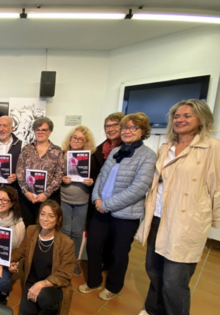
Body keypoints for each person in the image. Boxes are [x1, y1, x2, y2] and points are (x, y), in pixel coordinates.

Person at [137, 100, 220, 315]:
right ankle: (155, 309)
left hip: (185, 221)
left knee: (174, 281)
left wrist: (211, 220)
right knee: (154, 269)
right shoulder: (165, 147)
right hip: (158, 216)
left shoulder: (213, 148)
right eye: (176, 116)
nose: (180, 120)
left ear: (201, 119)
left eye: (187, 116)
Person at [79, 113, 156, 300]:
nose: (127, 131)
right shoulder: (115, 152)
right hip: (101, 209)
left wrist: (107, 204)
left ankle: (113, 286)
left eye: (132, 128)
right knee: (94, 245)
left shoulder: (148, 156)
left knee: (119, 252)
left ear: (143, 131)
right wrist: (97, 198)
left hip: (126, 214)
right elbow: (101, 178)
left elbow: (139, 188)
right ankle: (94, 281)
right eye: (124, 128)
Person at [10, 200, 74, 315]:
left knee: (46, 299)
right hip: (32, 281)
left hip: (52, 284)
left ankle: (49, 308)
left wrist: (42, 284)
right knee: (27, 312)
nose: (45, 219)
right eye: (42, 214)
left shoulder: (67, 243)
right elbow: (20, 252)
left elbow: (65, 274)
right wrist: (4, 260)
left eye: (51, 216)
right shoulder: (31, 230)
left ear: (58, 219)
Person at [88, 113, 124, 270]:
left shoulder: (130, 149)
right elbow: (95, 174)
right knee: (97, 240)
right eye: (108, 126)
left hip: (120, 202)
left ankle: (110, 268)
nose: (111, 129)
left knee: (117, 242)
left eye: (115, 125)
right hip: (98, 201)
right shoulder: (97, 151)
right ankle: (99, 267)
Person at [60, 125, 96, 276]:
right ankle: (64, 260)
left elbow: (96, 177)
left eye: (80, 138)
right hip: (64, 198)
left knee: (77, 233)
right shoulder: (62, 155)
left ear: (86, 141)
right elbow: (56, 176)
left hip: (82, 200)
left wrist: (91, 181)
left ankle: (74, 260)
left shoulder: (91, 157)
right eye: (74, 137)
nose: (76, 140)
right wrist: (62, 178)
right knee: (65, 230)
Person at [16, 117, 65, 227]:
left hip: (48, 198)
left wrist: (45, 194)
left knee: (45, 227)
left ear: (50, 132)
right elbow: (19, 171)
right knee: (28, 227)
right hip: (27, 198)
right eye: (37, 130)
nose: (40, 132)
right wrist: (26, 192)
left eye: (44, 130)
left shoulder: (57, 151)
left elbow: (59, 175)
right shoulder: (26, 149)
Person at [0, 116, 23, 196]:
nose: (1, 129)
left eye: (5, 126)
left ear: (12, 128)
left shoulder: (21, 145)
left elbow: (24, 167)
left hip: (13, 189)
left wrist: (17, 175)